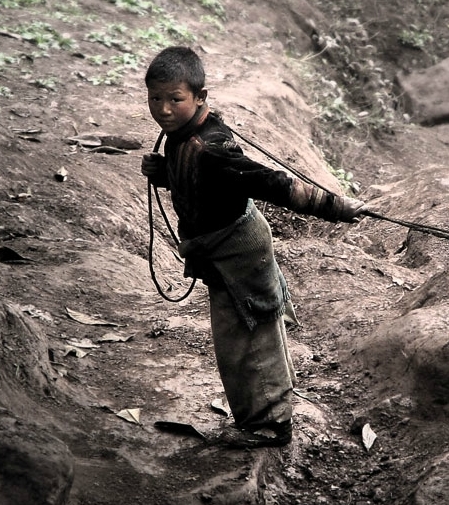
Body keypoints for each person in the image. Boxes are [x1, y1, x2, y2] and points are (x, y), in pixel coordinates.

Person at [141, 46, 369, 448]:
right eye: (155, 99)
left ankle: (272, 424)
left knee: (250, 336)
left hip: (240, 252)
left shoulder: (213, 148)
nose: (163, 109)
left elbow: (272, 184)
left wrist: (334, 207)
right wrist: (165, 173)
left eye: (175, 99)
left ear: (200, 97)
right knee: (241, 334)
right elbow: (204, 186)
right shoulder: (181, 136)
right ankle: (266, 410)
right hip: (219, 251)